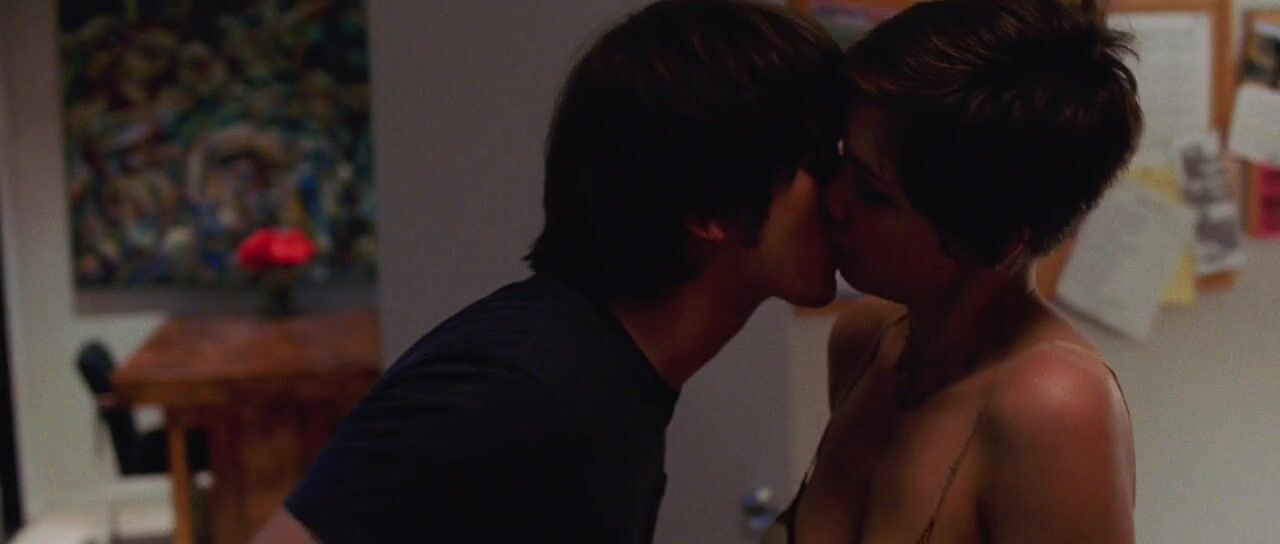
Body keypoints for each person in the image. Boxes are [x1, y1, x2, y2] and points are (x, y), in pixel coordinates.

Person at [253, 1, 845, 542]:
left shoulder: (600, 377)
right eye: (820, 164)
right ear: (712, 205)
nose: (842, 198)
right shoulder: (522, 388)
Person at [766, 0, 1143, 542]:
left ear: (989, 236)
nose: (834, 199)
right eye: (843, 162)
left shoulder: (1051, 405)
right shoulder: (868, 340)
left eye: (873, 193)